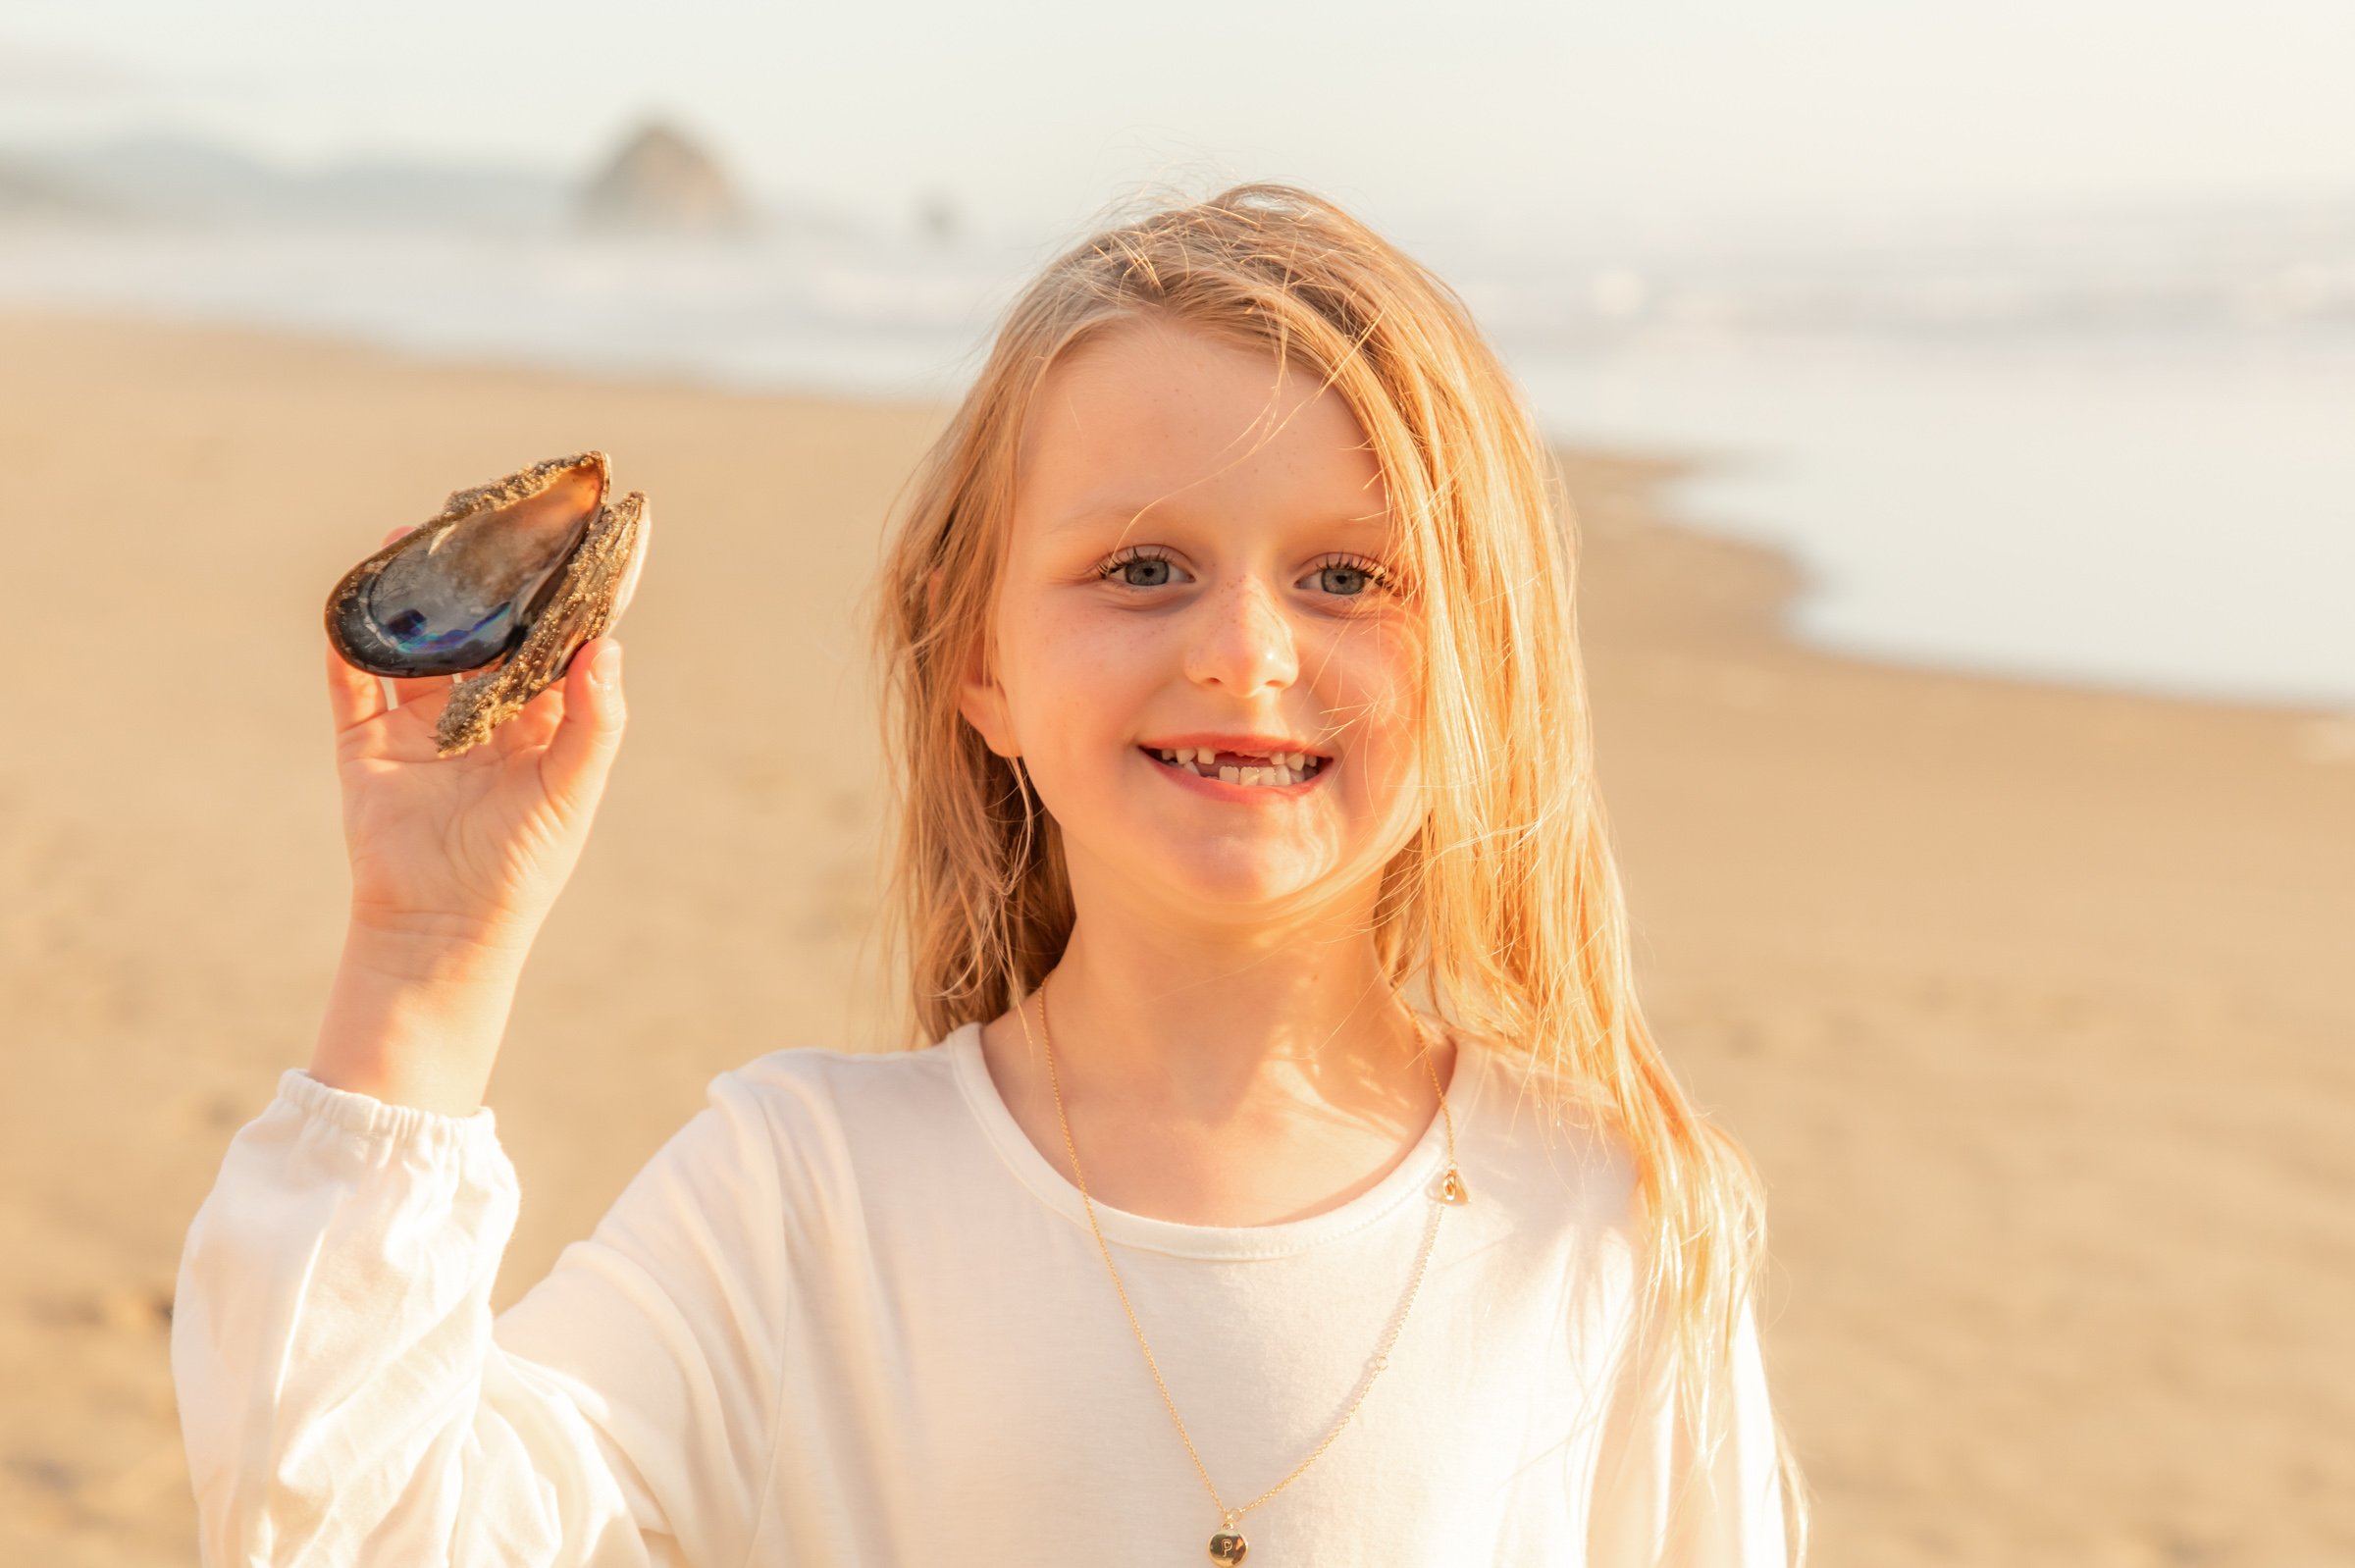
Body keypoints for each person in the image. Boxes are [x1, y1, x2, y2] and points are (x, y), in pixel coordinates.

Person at [173, 183, 1808, 1566]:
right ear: (982, 662)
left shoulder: (1611, 1219)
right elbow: (342, 1522)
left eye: (1348, 575)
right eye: (1142, 567)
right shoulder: (803, 1194)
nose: (1244, 651)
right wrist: (427, 949)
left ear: (1491, 662)